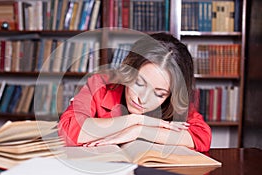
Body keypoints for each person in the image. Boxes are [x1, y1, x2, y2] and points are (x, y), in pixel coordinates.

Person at [58, 32, 211, 152]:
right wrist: (135, 121)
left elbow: (202, 136)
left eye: (159, 94)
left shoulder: (174, 104)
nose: (142, 99)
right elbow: (67, 130)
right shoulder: (100, 85)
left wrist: (140, 131)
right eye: (139, 83)